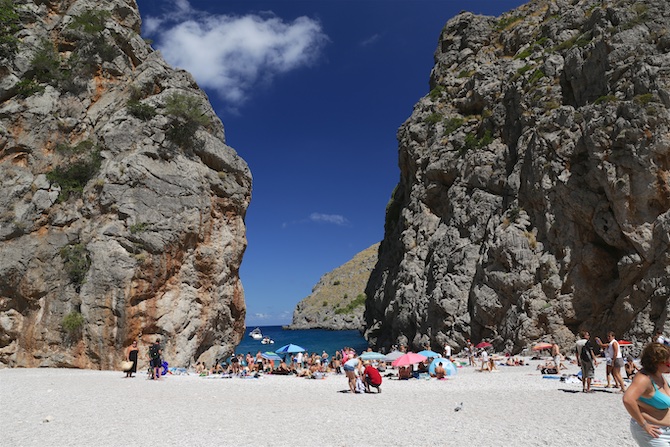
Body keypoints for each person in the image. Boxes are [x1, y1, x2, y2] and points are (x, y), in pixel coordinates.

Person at [622, 342, 670, 445]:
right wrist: (644, 425)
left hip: (666, 430)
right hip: (653, 433)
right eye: (668, 364)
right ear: (656, 362)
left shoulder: (659, 376)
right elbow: (628, 399)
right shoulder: (644, 379)